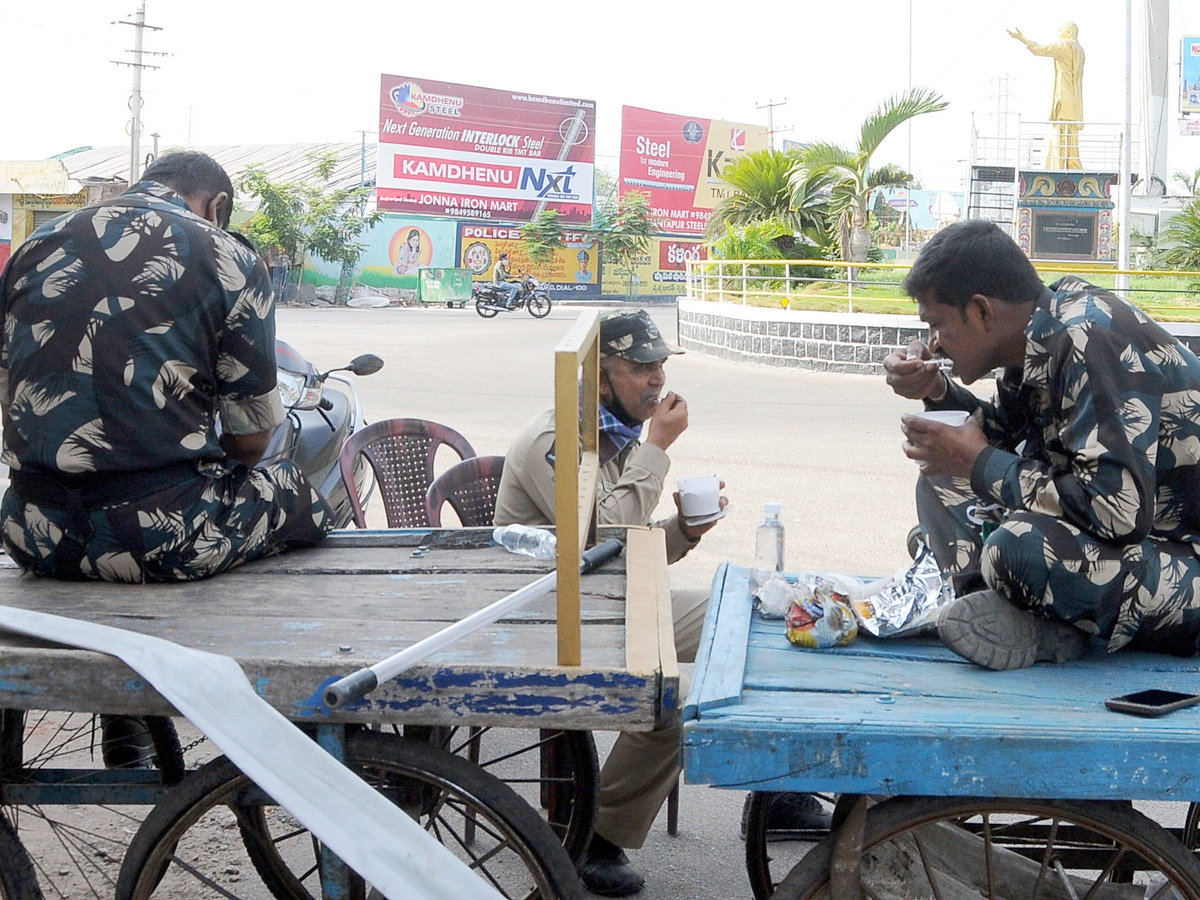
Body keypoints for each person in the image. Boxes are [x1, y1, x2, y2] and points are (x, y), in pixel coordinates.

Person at [494, 309, 828, 895]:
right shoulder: (560, 439)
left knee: (755, 614)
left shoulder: (613, 429)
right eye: (639, 368)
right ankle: (596, 835)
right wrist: (658, 448)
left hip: (607, 594)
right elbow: (601, 541)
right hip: (556, 612)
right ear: (600, 378)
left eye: (660, 366)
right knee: (672, 695)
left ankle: (775, 793)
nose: (656, 380)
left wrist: (685, 529)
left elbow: (631, 549)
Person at [0, 150, 333, 584]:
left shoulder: (34, 247)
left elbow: (11, 396)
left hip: (30, 534)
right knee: (291, 487)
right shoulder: (229, 257)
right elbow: (251, 442)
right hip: (163, 542)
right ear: (217, 207)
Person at [883, 219, 1200, 671]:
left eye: (936, 325)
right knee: (941, 482)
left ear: (981, 312)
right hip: (1135, 541)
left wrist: (976, 460)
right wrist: (937, 392)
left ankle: (1032, 617)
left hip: (1182, 552)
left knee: (1020, 547)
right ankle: (996, 612)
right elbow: (1008, 442)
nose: (933, 342)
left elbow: (1117, 510)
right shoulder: (1037, 334)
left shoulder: (1090, 338)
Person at [1008, 23, 1085, 169]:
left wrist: (1022, 39)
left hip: (1063, 96)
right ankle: (1071, 163)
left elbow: (1040, 50)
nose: (1058, 30)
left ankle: (1059, 165)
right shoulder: (1080, 51)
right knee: (1071, 138)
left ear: (1068, 32)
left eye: (1061, 28)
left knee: (1061, 136)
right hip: (1075, 100)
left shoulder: (1064, 46)